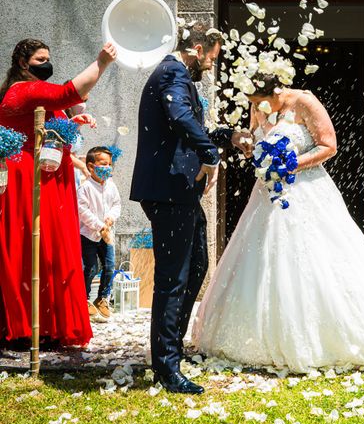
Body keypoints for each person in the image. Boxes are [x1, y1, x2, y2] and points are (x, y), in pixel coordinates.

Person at [192, 73, 364, 372]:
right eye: (253, 104)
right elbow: (253, 136)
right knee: (262, 261)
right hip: (266, 196)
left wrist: (292, 163)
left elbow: (328, 146)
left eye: (261, 102)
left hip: (306, 191)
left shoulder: (305, 102)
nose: (257, 108)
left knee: (317, 259)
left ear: (276, 92)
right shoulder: (257, 106)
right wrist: (251, 147)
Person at [130, 23, 251, 394]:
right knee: (173, 278)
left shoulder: (178, 77)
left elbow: (190, 123)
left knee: (197, 264)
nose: (211, 66)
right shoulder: (172, 72)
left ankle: (172, 350)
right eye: (211, 58)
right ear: (198, 49)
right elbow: (180, 119)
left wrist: (227, 136)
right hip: (168, 191)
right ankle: (167, 368)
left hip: (180, 192)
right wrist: (210, 154)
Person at [0, 39, 116, 348]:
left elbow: (42, 127)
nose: (46, 64)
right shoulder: (24, 89)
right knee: (34, 251)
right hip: (32, 186)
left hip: (49, 183)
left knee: (48, 252)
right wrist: (101, 62)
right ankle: (30, 325)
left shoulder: (29, 93)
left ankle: (45, 323)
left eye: (48, 58)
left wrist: (70, 121)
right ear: (24, 64)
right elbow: (68, 92)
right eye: (40, 59)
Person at [77, 146, 121, 321]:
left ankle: (103, 298)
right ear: (90, 166)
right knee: (91, 268)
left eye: (109, 164)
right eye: (103, 164)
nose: (107, 167)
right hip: (88, 234)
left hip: (107, 234)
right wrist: (99, 225)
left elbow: (116, 204)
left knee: (110, 266)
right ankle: (84, 298)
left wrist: (110, 218)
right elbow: (82, 210)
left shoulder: (111, 185)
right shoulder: (85, 187)